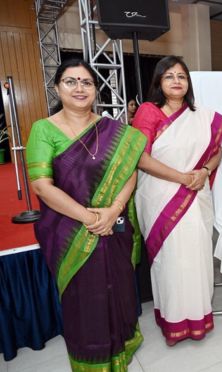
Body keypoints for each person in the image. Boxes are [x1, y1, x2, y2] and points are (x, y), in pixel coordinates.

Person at [26, 59, 146, 371]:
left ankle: (120, 352)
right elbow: (41, 185)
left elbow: (130, 170)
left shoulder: (115, 131)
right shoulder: (43, 129)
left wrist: (114, 210)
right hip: (70, 231)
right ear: (56, 88)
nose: (80, 88)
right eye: (70, 81)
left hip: (113, 224)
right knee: (85, 302)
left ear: (95, 90)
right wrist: (91, 218)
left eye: (87, 82)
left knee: (116, 290)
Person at [133, 55, 222, 346]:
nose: (176, 81)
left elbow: (218, 152)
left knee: (197, 257)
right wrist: (181, 177)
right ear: (159, 82)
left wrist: (203, 171)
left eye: (181, 76)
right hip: (160, 196)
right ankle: (174, 321)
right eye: (169, 76)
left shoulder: (202, 116)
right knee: (172, 261)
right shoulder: (149, 112)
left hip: (196, 195)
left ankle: (199, 318)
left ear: (188, 83)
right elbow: (141, 157)